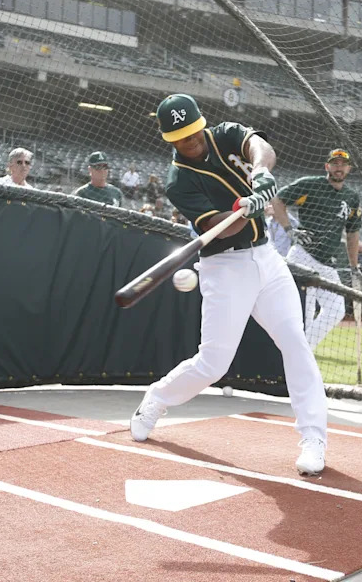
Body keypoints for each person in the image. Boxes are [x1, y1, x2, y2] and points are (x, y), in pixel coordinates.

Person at [129, 93, 328, 476]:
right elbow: (220, 226)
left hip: (267, 258)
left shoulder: (224, 134)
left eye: (195, 133)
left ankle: (313, 436)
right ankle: (157, 397)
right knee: (213, 363)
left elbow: (260, 146)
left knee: (295, 343)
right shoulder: (178, 181)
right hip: (225, 266)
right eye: (184, 138)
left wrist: (261, 174)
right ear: (170, 140)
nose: (194, 142)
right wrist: (244, 207)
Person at [270, 148, 362, 350]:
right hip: (303, 256)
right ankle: (295, 358)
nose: (339, 168)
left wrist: (354, 267)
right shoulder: (311, 184)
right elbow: (278, 200)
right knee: (304, 312)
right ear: (327, 166)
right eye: (335, 163)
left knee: (336, 310)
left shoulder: (352, 197)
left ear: (349, 168)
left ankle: (301, 353)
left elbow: (353, 233)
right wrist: (289, 230)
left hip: (327, 262)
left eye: (343, 164)